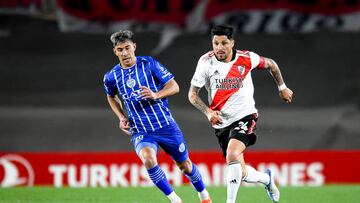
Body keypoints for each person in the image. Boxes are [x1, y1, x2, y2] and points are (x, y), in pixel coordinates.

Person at [188, 25, 294, 203]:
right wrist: (208, 112)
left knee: (232, 154)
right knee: (241, 172)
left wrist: (282, 88)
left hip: (245, 116)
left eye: (224, 43)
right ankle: (267, 179)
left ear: (232, 43)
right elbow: (192, 94)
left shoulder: (247, 58)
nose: (219, 47)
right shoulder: (205, 62)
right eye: (215, 43)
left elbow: (272, 64)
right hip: (221, 122)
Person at [103, 30, 212, 203]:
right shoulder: (111, 76)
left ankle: (204, 195)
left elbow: (174, 86)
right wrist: (121, 116)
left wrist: (156, 94)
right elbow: (111, 96)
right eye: (120, 50)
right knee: (148, 160)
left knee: (185, 166)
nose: (124, 53)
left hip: (165, 125)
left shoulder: (149, 64)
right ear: (115, 52)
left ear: (134, 47)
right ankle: (175, 200)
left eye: (127, 48)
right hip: (140, 129)